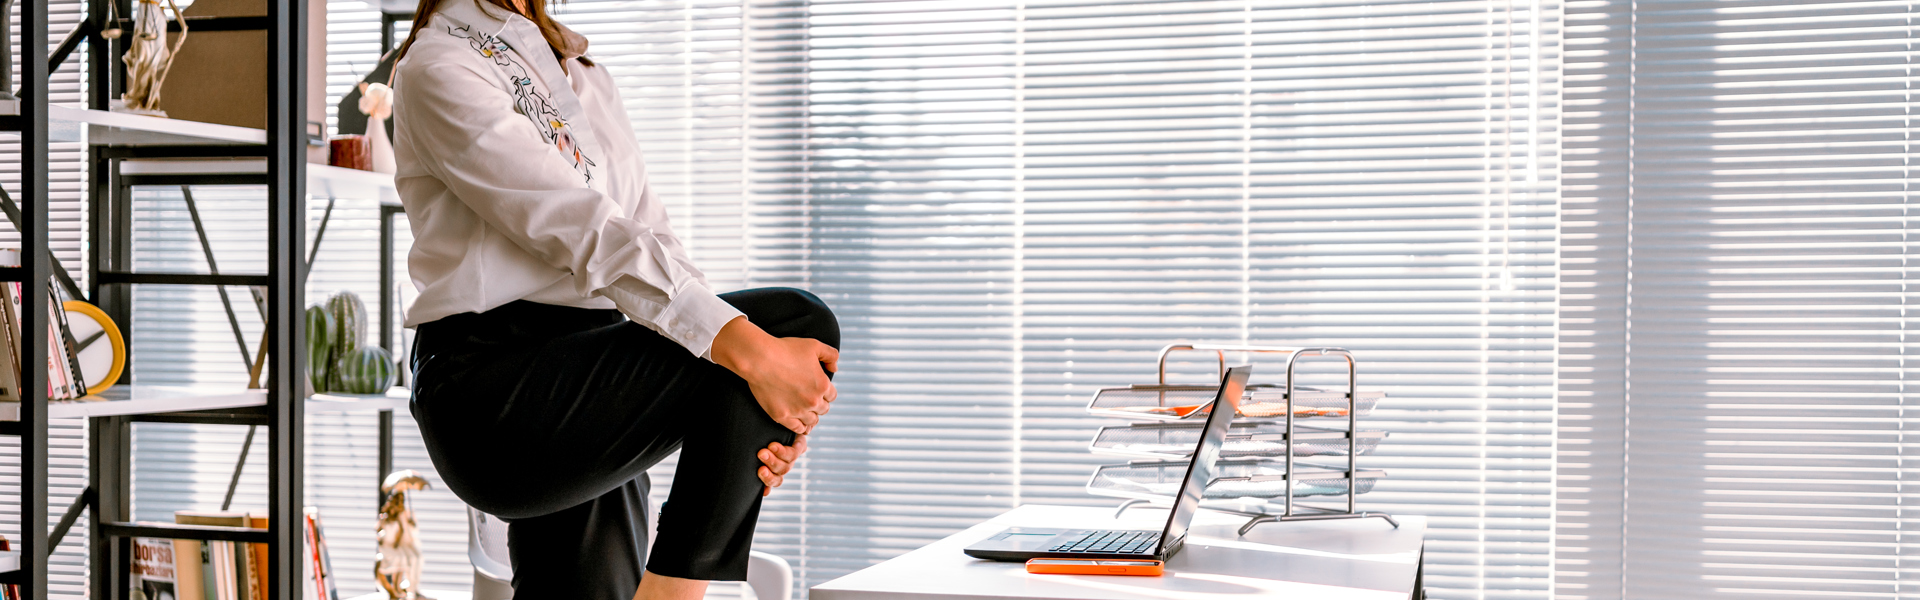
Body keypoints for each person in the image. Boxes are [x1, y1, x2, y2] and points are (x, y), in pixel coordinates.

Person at [388, 0, 841, 599]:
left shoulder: (585, 75)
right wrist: (754, 357)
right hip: (496, 390)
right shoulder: (440, 63)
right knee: (790, 324)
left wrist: (766, 410)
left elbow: (650, 237)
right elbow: (582, 228)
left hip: (588, 374)